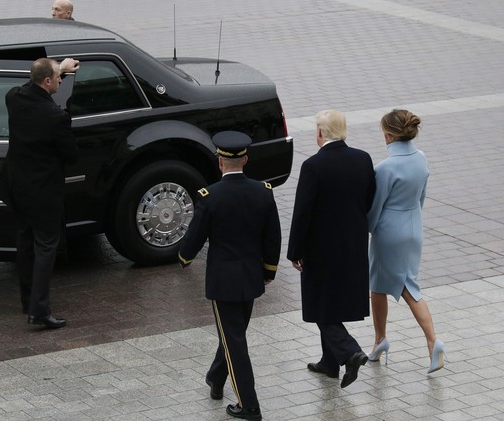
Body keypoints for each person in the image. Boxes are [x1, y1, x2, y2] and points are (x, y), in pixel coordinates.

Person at [178, 131, 281, 421]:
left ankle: (249, 406)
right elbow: (272, 236)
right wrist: (269, 271)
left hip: (223, 282)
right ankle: (215, 377)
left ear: (219, 161)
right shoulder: (263, 191)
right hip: (251, 279)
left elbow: (194, 237)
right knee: (234, 334)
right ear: (245, 160)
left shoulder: (209, 196)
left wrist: (184, 258)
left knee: (234, 340)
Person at [287, 109, 375, 388]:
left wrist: (294, 251)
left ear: (320, 133)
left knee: (320, 305)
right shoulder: (363, 159)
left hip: (321, 249)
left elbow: (302, 213)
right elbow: (369, 199)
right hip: (353, 244)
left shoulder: (313, 166)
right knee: (332, 301)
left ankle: (349, 351)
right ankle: (329, 362)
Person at [1, 58, 78, 329]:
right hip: (44, 193)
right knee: (46, 248)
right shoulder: (57, 117)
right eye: (57, 77)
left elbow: (29, 86)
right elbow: (71, 155)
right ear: (48, 81)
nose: (59, 80)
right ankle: (40, 311)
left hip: (17, 187)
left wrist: (62, 70)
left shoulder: (14, 98)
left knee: (25, 244)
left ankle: (28, 301)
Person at [367, 109, 445, 373]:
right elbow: (422, 196)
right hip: (413, 225)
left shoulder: (385, 167)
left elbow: (376, 207)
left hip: (390, 231)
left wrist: (367, 228)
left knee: (406, 287)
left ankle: (432, 341)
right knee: (378, 284)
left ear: (388, 134)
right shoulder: (421, 158)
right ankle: (379, 340)